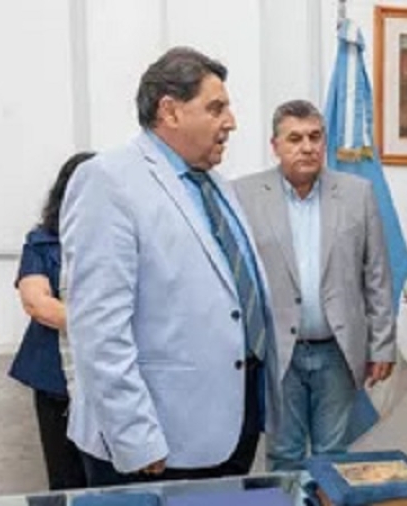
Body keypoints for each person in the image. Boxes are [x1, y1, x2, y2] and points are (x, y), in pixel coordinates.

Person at [60, 46, 274, 486]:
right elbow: (98, 328)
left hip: (231, 424)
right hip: (154, 441)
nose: (231, 122)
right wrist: (135, 436)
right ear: (170, 111)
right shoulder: (108, 180)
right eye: (216, 108)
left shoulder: (216, 184)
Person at [231, 99, 395, 471]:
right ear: (275, 146)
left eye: (315, 137)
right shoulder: (244, 195)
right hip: (277, 352)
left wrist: (382, 345)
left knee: (333, 456)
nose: (307, 147)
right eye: (295, 139)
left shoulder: (357, 193)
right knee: (284, 455)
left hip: (337, 350)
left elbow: (377, 275)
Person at [8, 151, 94, 490]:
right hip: (55, 380)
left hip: (115, 378)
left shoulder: (127, 239)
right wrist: (105, 324)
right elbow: (37, 303)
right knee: (65, 480)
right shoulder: (42, 241)